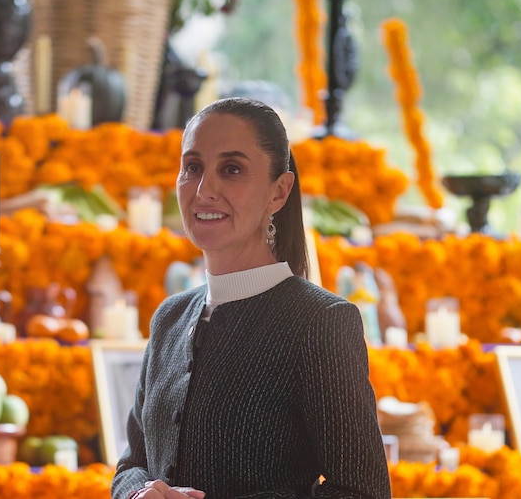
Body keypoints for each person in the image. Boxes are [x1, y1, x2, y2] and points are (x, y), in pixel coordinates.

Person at [112, 98, 391, 499]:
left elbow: (363, 492)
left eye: (232, 169)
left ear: (279, 192)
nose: (204, 190)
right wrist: (138, 494)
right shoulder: (169, 318)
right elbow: (132, 464)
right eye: (192, 167)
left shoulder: (320, 322)